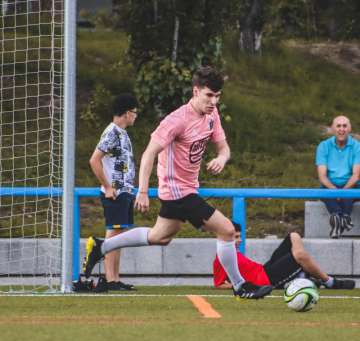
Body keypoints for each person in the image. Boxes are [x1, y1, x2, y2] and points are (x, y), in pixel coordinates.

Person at [84, 66, 273, 299]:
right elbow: (149, 154)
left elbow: (223, 147)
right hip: (177, 191)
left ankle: (100, 246)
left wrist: (221, 158)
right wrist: (143, 191)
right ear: (196, 91)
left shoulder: (212, 115)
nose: (213, 101)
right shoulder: (176, 120)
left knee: (160, 237)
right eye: (209, 95)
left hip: (187, 188)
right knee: (226, 230)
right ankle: (240, 286)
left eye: (217, 96)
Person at [88, 94, 138, 292]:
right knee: (113, 234)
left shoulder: (122, 133)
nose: (135, 117)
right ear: (127, 113)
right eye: (134, 113)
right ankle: (110, 279)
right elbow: (94, 160)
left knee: (120, 236)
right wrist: (108, 187)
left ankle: (115, 278)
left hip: (124, 192)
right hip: (115, 193)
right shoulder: (112, 132)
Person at [213, 224, 355, 290]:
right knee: (300, 256)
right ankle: (330, 282)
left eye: (239, 236)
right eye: (235, 237)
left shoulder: (234, 252)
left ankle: (303, 274)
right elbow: (219, 285)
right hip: (267, 280)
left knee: (293, 235)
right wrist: (247, 286)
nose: (240, 240)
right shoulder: (221, 257)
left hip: (265, 269)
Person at [316, 115, 360, 238]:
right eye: (338, 126)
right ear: (332, 129)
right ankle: (343, 218)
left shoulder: (357, 146)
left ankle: (338, 218)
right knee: (323, 192)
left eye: (345, 126)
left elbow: (356, 175)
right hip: (330, 184)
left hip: (351, 184)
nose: (342, 129)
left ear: (350, 128)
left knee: (351, 192)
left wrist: (342, 192)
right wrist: (335, 192)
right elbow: (322, 176)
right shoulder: (323, 146)